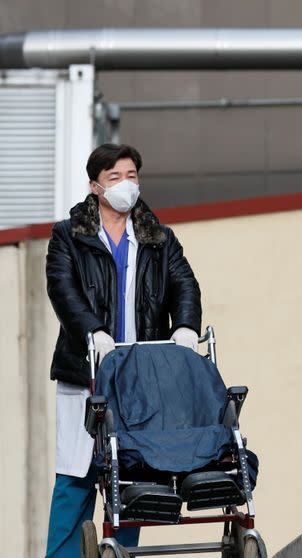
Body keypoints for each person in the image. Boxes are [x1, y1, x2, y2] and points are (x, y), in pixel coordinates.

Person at [44, 144, 202, 556]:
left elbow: (184, 282)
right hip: (86, 372)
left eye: (132, 175)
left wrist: (185, 326)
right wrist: (92, 332)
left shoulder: (157, 237)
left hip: (140, 373)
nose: (126, 185)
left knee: (132, 478)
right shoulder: (69, 235)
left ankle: (120, 552)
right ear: (95, 186)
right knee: (76, 479)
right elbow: (62, 289)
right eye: (115, 178)